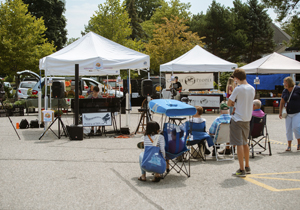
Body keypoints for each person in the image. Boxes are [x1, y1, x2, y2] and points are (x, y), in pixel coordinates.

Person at [228, 68, 255, 177]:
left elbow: (229, 103)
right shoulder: (252, 88)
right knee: (245, 142)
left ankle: (241, 169)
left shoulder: (238, 89)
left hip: (238, 118)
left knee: (238, 143)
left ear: (236, 78)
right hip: (247, 118)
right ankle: (247, 166)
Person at [279, 76, 300, 152]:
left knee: (296, 127)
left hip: (297, 112)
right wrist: (280, 112)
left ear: (289, 82)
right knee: (288, 130)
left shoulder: (297, 89)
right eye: (284, 82)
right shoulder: (285, 91)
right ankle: (289, 145)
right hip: (288, 113)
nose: (284, 84)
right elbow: (282, 102)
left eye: (285, 82)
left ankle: (299, 143)